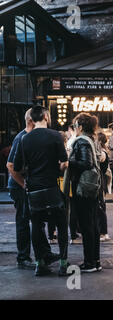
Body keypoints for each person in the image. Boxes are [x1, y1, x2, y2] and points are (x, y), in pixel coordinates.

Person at [13, 106, 69, 276]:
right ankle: (63, 264)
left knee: (37, 226)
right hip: (52, 188)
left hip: (34, 190)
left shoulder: (25, 139)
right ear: (45, 116)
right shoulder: (55, 136)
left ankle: (40, 264)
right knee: (61, 225)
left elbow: (17, 167)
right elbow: (63, 162)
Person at [6, 108, 57, 270]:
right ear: (31, 120)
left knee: (38, 219)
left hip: (29, 186)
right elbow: (11, 166)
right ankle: (23, 257)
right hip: (19, 187)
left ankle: (45, 253)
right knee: (23, 220)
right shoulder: (21, 138)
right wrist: (23, 185)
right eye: (44, 118)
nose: (47, 121)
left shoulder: (31, 137)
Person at [69, 113, 102, 272]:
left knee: (86, 225)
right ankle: (95, 261)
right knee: (93, 225)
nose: (74, 129)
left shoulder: (82, 141)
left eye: (75, 125)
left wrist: (68, 161)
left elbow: (86, 162)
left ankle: (89, 262)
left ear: (80, 127)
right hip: (93, 188)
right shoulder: (93, 140)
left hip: (84, 188)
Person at [96, 132, 110, 242]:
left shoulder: (102, 153)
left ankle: (104, 233)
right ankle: (102, 232)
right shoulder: (103, 151)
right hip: (102, 181)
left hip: (100, 182)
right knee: (101, 207)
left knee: (100, 208)